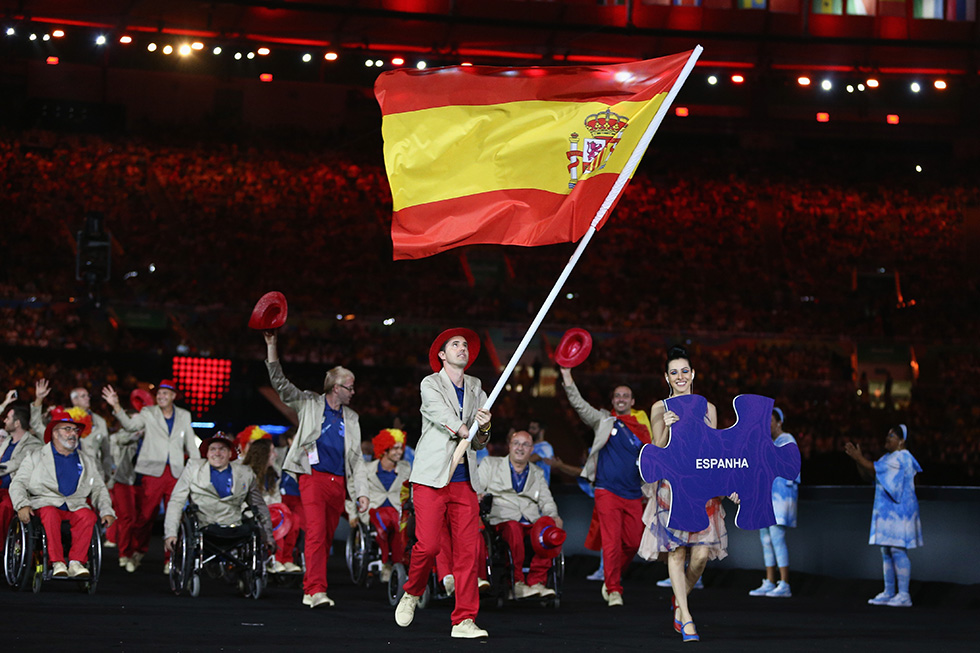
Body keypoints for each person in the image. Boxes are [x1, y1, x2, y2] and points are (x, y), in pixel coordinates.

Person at [394, 327, 491, 639]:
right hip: (432, 476)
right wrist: (465, 428)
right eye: (455, 344)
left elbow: (479, 442)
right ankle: (411, 592)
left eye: (464, 345)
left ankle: (464, 620)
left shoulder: (477, 386)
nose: (462, 348)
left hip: (465, 481)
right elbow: (439, 414)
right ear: (441, 354)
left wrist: (485, 429)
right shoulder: (430, 383)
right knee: (429, 544)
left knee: (469, 551)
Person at [263, 329, 368, 608]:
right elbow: (280, 384)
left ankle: (313, 588)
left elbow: (356, 459)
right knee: (316, 532)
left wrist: (361, 493)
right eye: (350, 387)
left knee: (325, 536)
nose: (354, 392)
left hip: (338, 484)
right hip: (312, 478)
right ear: (336, 388)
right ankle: (315, 589)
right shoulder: (309, 403)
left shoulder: (353, 418)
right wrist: (272, 345)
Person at [641, 344, 727, 643]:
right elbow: (656, 448)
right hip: (672, 488)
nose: (680, 376)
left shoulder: (709, 409)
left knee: (701, 556)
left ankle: (680, 604)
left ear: (693, 374)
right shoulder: (659, 408)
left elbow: (714, 454)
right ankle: (687, 619)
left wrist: (727, 486)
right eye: (674, 372)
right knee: (677, 553)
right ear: (666, 377)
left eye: (684, 371)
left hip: (701, 489)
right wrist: (665, 428)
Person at [560, 365, 650, 608]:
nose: (621, 399)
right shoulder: (603, 420)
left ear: (632, 401)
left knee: (633, 543)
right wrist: (567, 376)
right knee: (611, 541)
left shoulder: (642, 430)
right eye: (617, 396)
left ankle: (611, 576)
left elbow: (653, 461)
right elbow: (579, 405)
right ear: (613, 401)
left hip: (633, 493)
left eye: (625, 396)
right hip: (606, 490)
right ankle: (613, 589)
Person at [102, 380, 200, 574]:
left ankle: (169, 559)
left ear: (173, 396)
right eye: (159, 394)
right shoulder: (148, 413)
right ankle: (137, 550)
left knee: (174, 517)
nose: (161, 396)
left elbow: (190, 444)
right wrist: (116, 406)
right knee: (146, 516)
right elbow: (130, 426)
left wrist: (198, 468)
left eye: (165, 393)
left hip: (176, 472)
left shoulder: (184, 415)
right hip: (152, 472)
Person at [9, 407, 115, 578]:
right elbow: (18, 483)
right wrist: (22, 504)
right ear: (54, 433)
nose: (73, 434)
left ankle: (76, 562)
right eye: (67, 429)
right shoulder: (35, 456)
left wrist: (107, 510)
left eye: (75, 430)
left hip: (74, 505)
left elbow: (99, 488)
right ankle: (57, 561)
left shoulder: (86, 459)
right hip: (46, 504)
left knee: (88, 516)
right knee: (50, 513)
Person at [477, 429, 563, 599]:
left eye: (525, 445)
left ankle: (536, 582)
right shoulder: (490, 464)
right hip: (502, 520)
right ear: (509, 446)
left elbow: (546, 501)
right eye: (516, 443)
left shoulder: (537, 473)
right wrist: (479, 496)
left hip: (530, 521)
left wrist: (554, 516)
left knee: (551, 530)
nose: (520, 448)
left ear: (532, 450)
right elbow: (477, 488)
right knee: (513, 527)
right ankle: (517, 583)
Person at [844, 424, 923, 608]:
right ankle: (889, 592)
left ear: (902, 441)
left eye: (892, 436)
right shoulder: (888, 457)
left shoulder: (903, 457)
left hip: (901, 513)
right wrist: (857, 460)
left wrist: (859, 457)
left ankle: (903, 594)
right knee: (886, 551)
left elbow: (872, 468)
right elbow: (869, 474)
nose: (887, 439)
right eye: (887, 435)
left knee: (897, 550)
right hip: (889, 513)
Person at [163, 432, 274, 558]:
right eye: (213, 449)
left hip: (234, 526)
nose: (217, 453)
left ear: (230, 453)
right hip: (204, 526)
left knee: (252, 529)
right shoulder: (193, 469)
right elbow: (176, 501)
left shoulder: (245, 473)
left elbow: (259, 506)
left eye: (222, 449)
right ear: (207, 453)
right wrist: (171, 533)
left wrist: (268, 537)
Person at [749, 407, 800, 598]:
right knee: (766, 539)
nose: (766, 425)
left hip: (781, 498)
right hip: (766, 498)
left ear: (779, 422)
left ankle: (784, 583)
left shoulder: (788, 440)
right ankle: (770, 581)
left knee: (777, 539)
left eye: (770, 421)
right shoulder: (767, 443)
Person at [241, 433, 296, 573]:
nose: (275, 455)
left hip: (269, 508)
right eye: (272, 451)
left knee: (294, 519)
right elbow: (243, 499)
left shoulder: (274, 472)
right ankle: (274, 559)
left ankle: (286, 559)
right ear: (263, 454)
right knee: (274, 519)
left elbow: (276, 497)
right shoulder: (246, 472)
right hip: (250, 512)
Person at [363, 428, 411, 582]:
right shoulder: (368, 469)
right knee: (388, 519)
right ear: (385, 449)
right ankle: (386, 563)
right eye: (395, 448)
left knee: (399, 525)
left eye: (400, 447)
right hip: (375, 509)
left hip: (397, 511)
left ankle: (397, 564)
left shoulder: (405, 468)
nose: (399, 452)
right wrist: (353, 514)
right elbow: (355, 491)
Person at [1, 399, 44, 531]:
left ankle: (1, 548)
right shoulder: (6, 441)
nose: (4, 421)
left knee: (5, 507)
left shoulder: (32, 444)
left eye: (8, 418)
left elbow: (13, 464)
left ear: (17, 423)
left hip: (15, 490)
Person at [526, 420, 554, 486]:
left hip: (539, 488)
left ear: (542, 431)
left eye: (533, 428)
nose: (530, 431)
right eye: (529, 428)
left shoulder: (546, 447)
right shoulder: (527, 446)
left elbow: (529, 460)